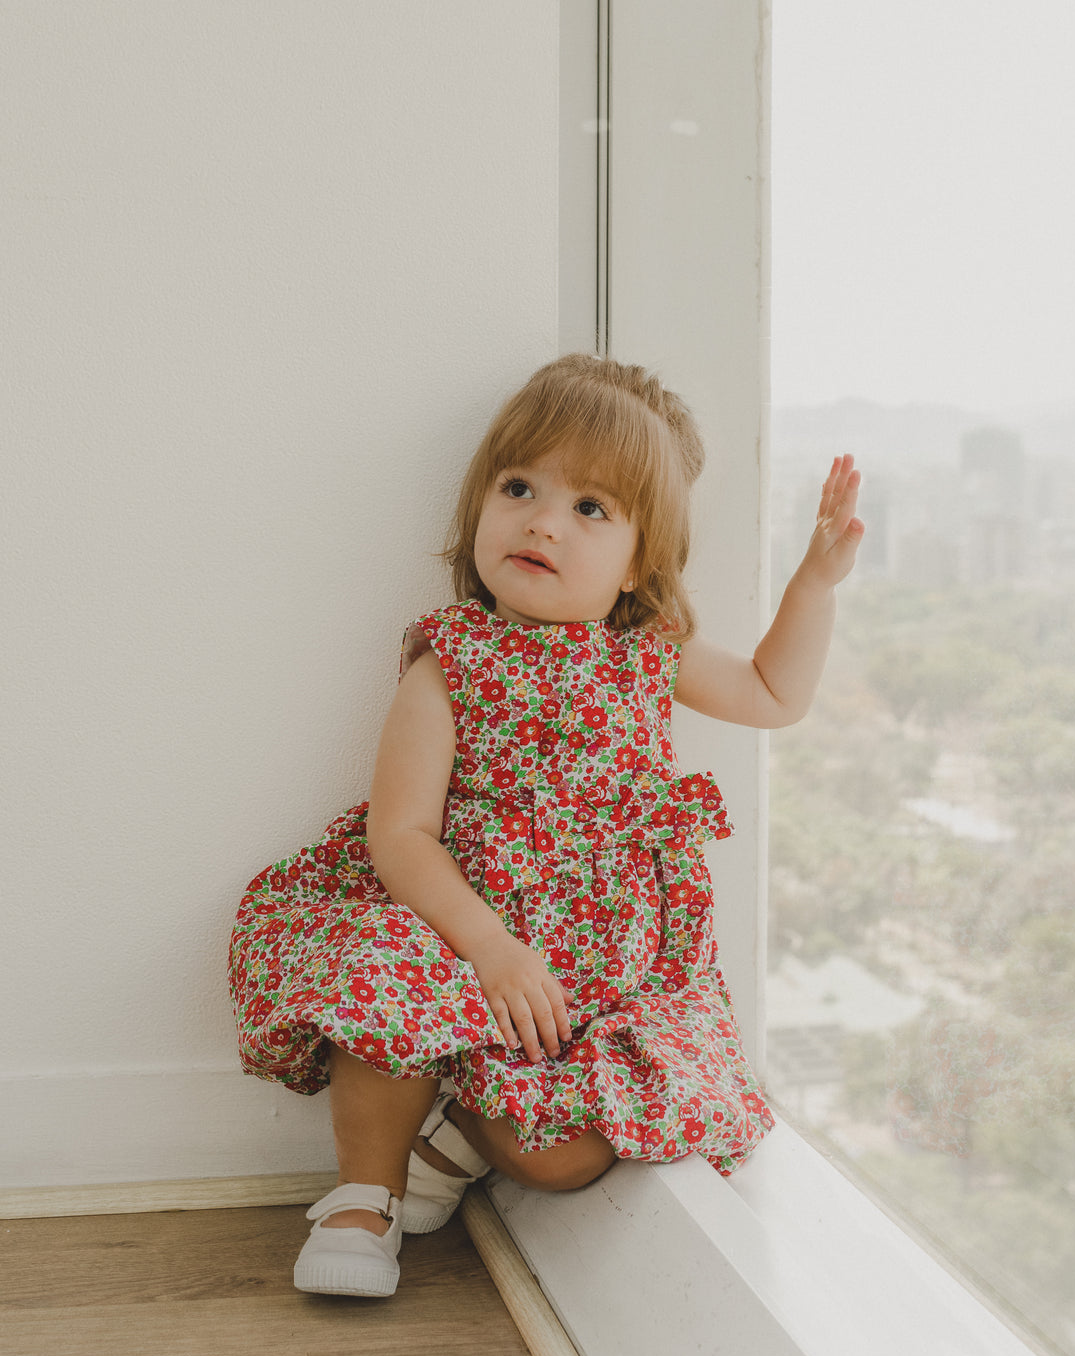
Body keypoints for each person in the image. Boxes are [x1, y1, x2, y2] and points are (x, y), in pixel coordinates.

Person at [228, 352, 864, 1298]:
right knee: (381, 1003)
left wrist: (813, 584)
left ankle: (452, 1148)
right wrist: (489, 949)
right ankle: (366, 1195)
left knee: (567, 1155)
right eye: (520, 487)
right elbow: (400, 834)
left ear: (641, 561)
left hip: (602, 986)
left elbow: (773, 693)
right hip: (459, 941)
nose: (542, 521)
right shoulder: (455, 660)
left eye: (590, 509)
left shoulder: (647, 654)